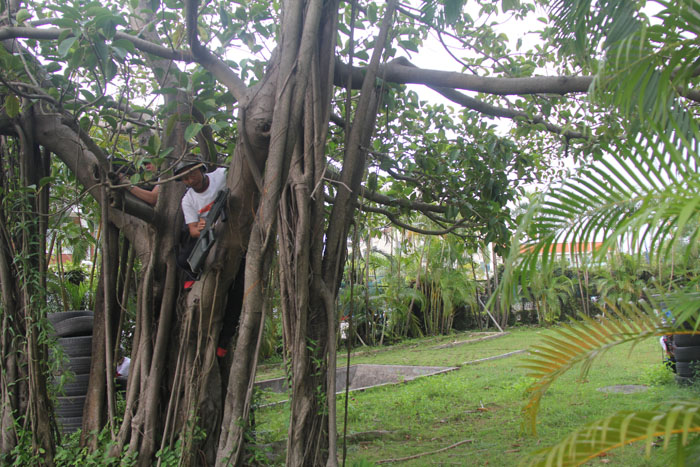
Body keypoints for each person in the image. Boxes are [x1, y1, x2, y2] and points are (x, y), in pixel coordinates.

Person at [174, 153, 244, 358]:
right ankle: (193, 274)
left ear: (202, 168)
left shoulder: (222, 175)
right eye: (184, 178)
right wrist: (201, 227)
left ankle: (224, 341)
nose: (190, 180)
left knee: (237, 291)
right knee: (182, 258)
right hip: (207, 239)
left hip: (235, 236)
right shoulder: (187, 199)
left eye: (192, 173)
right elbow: (192, 229)